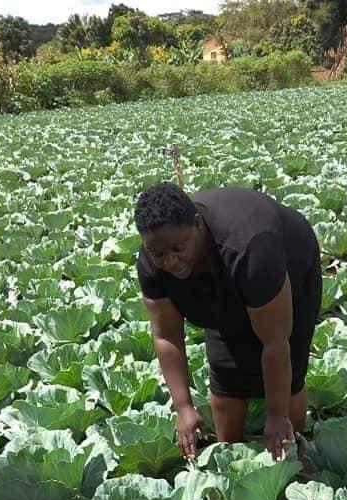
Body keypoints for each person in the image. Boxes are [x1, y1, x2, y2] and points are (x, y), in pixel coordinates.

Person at [134, 182, 322, 461]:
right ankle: (231, 458)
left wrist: (276, 414)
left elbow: (275, 342)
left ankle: (294, 454)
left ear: (198, 225)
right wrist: (183, 407)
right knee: (226, 371)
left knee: (289, 371)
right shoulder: (152, 263)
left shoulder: (251, 250)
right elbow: (166, 336)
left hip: (289, 262)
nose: (171, 261)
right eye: (159, 253)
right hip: (218, 270)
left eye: (178, 248)